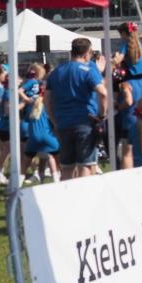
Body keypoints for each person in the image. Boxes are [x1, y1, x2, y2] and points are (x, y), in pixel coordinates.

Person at [45, 38, 108, 180]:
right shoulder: (88, 71)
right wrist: (101, 115)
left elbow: (47, 100)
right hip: (85, 122)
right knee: (85, 165)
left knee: (67, 167)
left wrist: (54, 121)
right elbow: (103, 93)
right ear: (87, 53)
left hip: (63, 123)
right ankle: (83, 193)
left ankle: (66, 192)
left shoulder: (56, 72)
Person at [22, 94, 60, 183]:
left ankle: (17, 181)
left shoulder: (30, 109)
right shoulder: (48, 108)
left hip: (33, 138)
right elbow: (54, 122)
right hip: (47, 137)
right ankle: (57, 179)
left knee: (26, 162)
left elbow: (27, 120)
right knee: (52, 157)